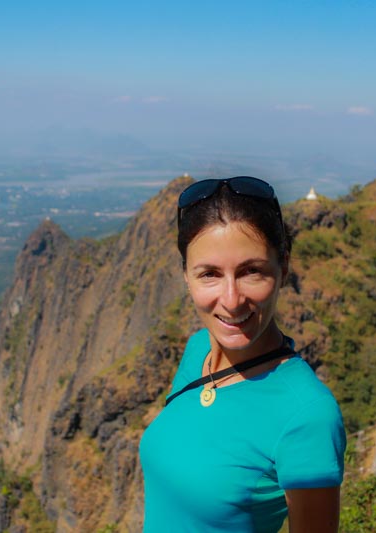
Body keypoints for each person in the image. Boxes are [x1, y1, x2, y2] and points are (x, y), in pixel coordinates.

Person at [140, 176, 346, 533]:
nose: (232, 299)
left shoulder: (307, 415)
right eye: (210, 274)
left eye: (252, 272)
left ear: (283, 268)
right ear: (186, 275)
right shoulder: (197, 350)